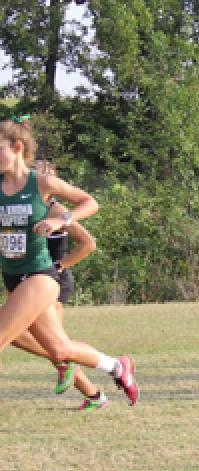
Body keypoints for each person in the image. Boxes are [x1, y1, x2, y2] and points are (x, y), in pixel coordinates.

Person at [0, 116, 139, 405]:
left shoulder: (42, 183)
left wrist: (61, 220)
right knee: (60, 350)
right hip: (13, 277)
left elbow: (90, 202)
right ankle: (117, 366)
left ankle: (97, 389)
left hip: (40, 277)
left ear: (16, 147)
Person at [11, 160, 108, 410]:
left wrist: (60, 266)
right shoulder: (19, 209)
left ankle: (96, 384)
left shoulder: (56, 210)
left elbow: (89, 244)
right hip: (26, 278)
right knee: (52, 345)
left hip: (49, 279)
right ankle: (95, 393)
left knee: (56, 346)